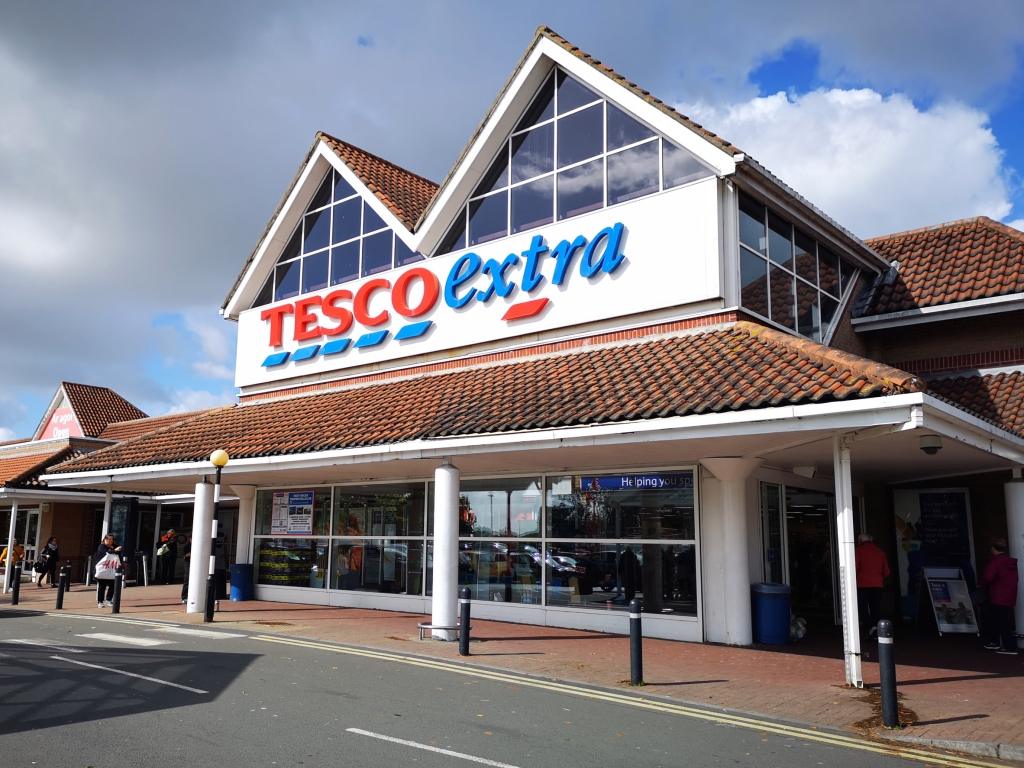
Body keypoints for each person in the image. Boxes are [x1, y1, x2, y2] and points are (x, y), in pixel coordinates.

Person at [980, 538, 1019, 655]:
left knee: (997, 620)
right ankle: (1001, 643)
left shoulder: (995, 562)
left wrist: (980, 584)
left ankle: (1008, 646)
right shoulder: (1011, 562)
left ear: (993, 549)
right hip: (1010, 594)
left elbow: (988, 577)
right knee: (1005, 620)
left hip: (997, 594)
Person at [855, 532, 891, 635]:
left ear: (860, 541)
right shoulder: (880, 552)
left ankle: (869, 628)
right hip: (877, 585)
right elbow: (887, 572)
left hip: (862, 584)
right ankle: (877, 628)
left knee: (862, 608)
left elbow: (855, 567)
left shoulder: (858, 551)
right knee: (876, 608)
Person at [94, 535, 123, 608]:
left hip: (112, 568)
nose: (109, 541)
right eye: (108, 539)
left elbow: (118, 556)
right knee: (102, 586)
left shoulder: (115, 546)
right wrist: (115, 550)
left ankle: (109, 600)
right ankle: (100, 602)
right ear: (104, 540)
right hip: (103, 569)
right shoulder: (101, 546)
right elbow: (107, 552)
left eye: (111, 539)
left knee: (112, 585)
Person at [180, 535, 191, 603]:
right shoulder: (186, 546)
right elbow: (184, 556)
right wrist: (189, 554)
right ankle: (184, 597)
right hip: (187, 563)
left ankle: (190, 595)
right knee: (187, 578)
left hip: (194, 563)